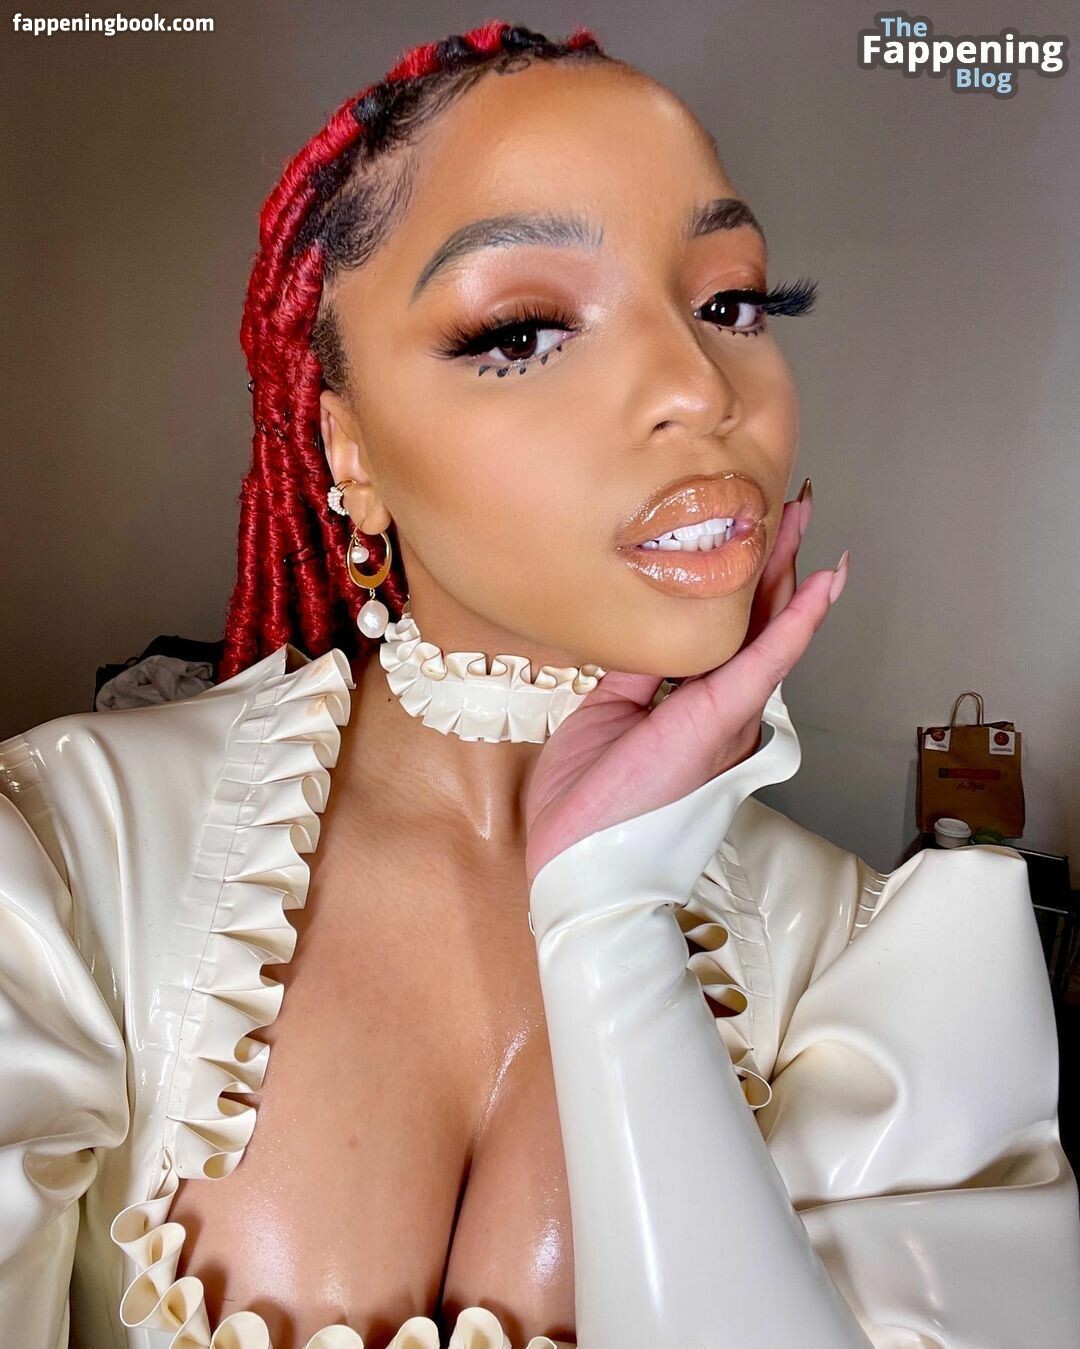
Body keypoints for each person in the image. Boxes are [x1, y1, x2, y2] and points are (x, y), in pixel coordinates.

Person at [1, 19, 1077, 1349]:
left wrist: (608, 916)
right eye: (521, 330)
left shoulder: (884, 977)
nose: (699, 386)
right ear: (350, 451)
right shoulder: (61, 866)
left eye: (731, 302)